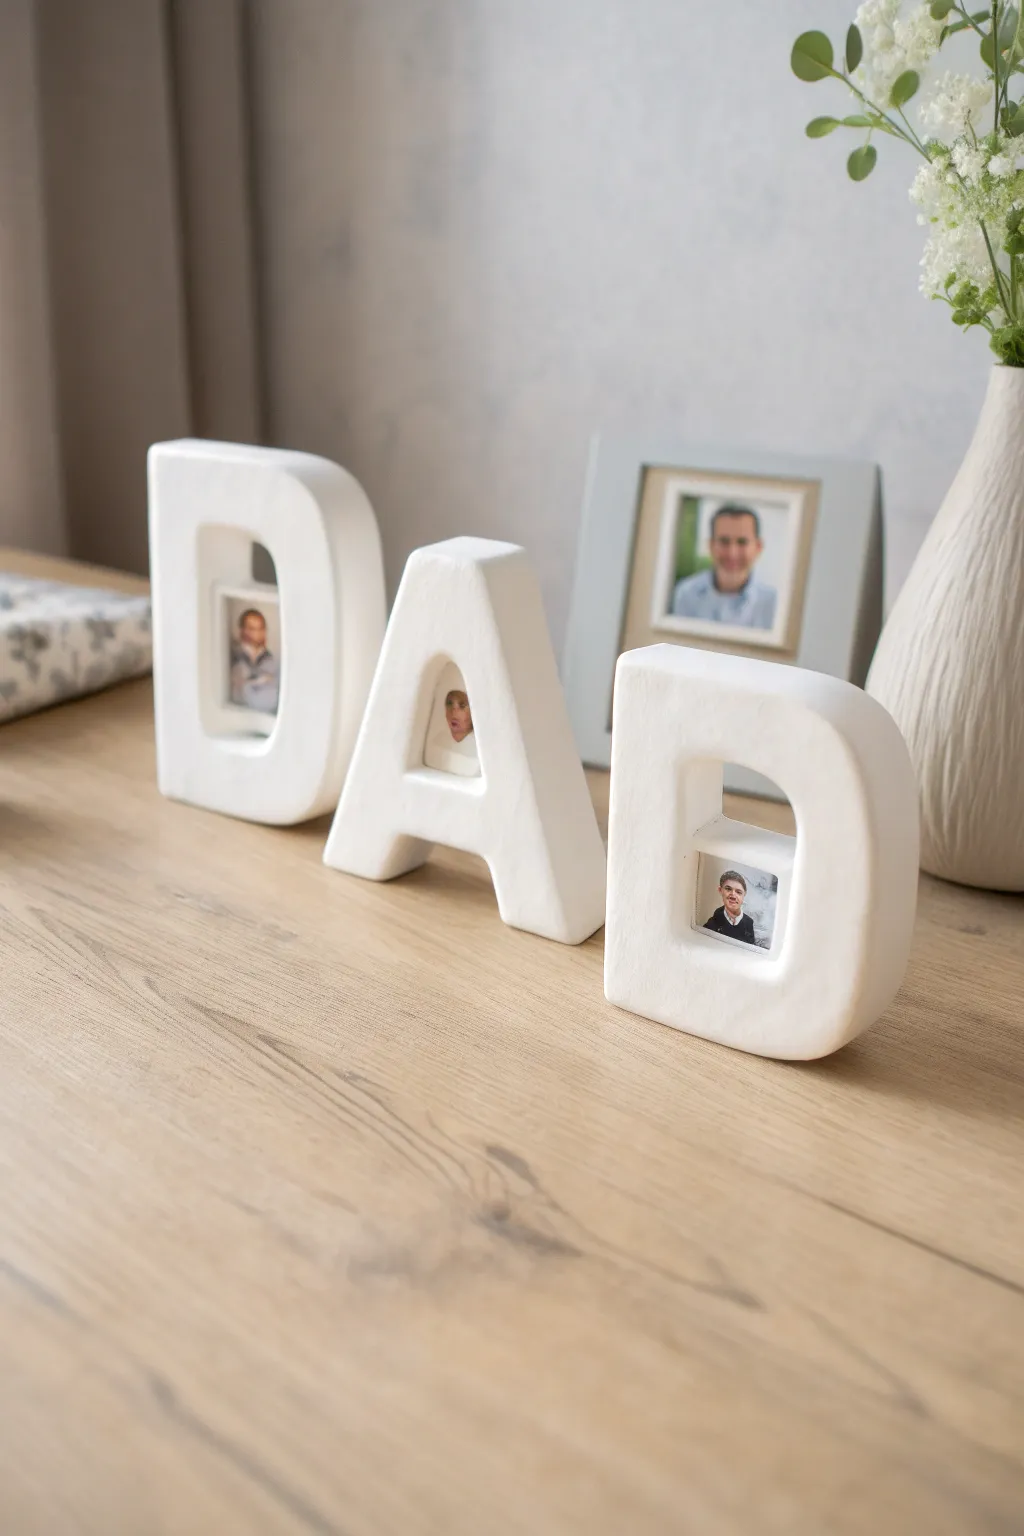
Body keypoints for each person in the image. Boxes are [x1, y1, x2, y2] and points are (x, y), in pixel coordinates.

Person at [671, 503, 777, 630]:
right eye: (724, 541)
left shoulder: (774, 604)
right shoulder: (686, 594)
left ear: (758, 547)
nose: (732, 553)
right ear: (711, 546)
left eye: (742, 542)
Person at [424, 666, 480, 777]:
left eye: (462, 705)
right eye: (449, 703)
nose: (453, 712)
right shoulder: (438, 741)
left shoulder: (479, 749)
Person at [229, 607, 279, 713]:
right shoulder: (233, 656)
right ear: (242, 630)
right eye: (252, 628)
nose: (256, 633)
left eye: (260, 628)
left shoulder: (271, 660)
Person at [703, 870, 757, 945]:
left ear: (744, 894)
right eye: (728, 889)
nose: (733, 896)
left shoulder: (749, 923)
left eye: (738, 892)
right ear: (720, 890)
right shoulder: (712, 923)